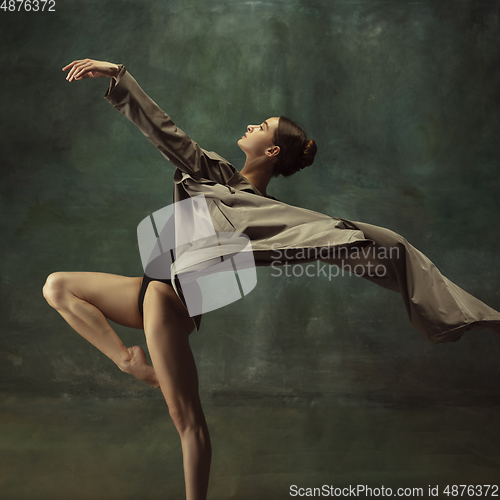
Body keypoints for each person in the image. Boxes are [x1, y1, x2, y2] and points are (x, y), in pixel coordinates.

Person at [44, 58, 500, 500]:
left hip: (170, 301)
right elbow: (168, 135)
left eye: (261, 126)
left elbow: (336, 238)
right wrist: (118, 76)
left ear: (272, 150)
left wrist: (396, 255)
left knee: (187, 422)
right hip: (145, 287)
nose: (251, 125)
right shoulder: (214, 173)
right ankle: (128, 361)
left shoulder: (274, 216)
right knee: (58, 286)